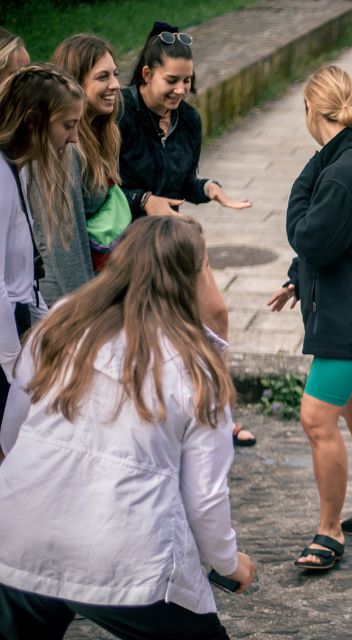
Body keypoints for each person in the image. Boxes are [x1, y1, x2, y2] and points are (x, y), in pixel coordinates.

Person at [0, 215, 255, 639]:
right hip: (124, 556)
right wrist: (230, 562)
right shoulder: (195, 367)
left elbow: (12, 433)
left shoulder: (60, 323)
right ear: (187, 279)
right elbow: (205, 498)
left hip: (18, 532)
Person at [266, 65, 352, 571]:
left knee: (316, 418)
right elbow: (337, 242)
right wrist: (298, 278)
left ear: (311, 110)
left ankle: (329, 532)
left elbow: (308, 236)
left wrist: (312, 168)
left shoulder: (343, 170)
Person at [119, 21, 255, 446]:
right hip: (129, 241)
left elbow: (182, 184)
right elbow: (97, 188)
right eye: (171, 81)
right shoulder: (120, 113)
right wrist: (143, 200)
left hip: (176, 236)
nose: (180, 90)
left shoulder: (189, 121)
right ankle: (148, 418)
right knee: (146, 331)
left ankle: (218, 409)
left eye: (187, 81)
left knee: (214, 314)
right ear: (147, 75)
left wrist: (208, 189)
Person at [0, 64, 84, 438]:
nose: (74, 138)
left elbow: (26, 277)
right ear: (35, 120)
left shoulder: (18, 169)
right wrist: (13, 364)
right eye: (68, 125)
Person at [42, 34, 121, 302]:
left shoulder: (103, 134)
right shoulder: (66, 150)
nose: (115, 85)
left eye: (115, 74)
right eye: (103, 77)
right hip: (69, 301)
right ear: (74, 83)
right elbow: (65, 243)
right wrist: (87, 309)